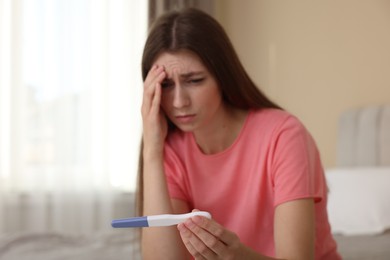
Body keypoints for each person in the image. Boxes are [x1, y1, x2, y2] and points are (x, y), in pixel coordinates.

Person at [137, 7, 341, 260]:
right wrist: (152, 152)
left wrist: (238, 256)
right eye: (165, 85)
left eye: (195, 80)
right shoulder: (170, 148)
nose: (178, 101)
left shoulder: (284, 135)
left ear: (223, 77)